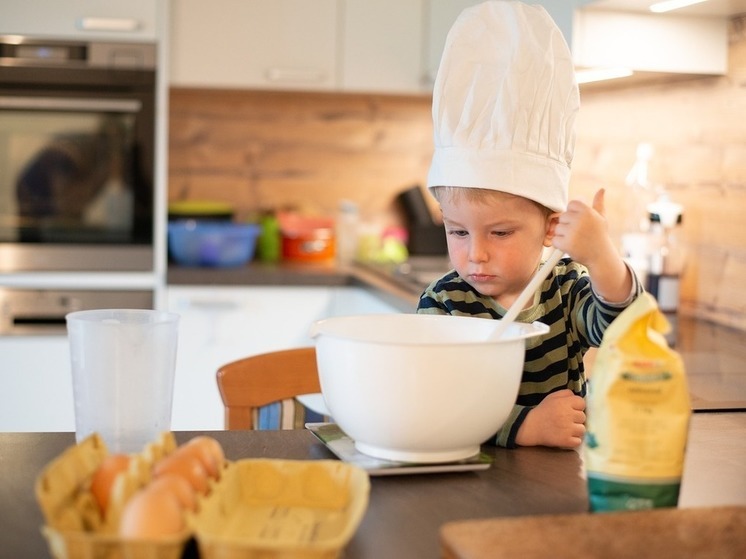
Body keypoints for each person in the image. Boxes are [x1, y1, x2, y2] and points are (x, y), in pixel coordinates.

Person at [416, 1, 642, 449]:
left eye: (499, 233)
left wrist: (601, 257)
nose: (474, 254)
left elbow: (621, 327)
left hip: (556, 490)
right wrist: (525, 428)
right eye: (457, 231)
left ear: (551, 227)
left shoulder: (564, 288)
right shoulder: (444, 302)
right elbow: (433, 402)